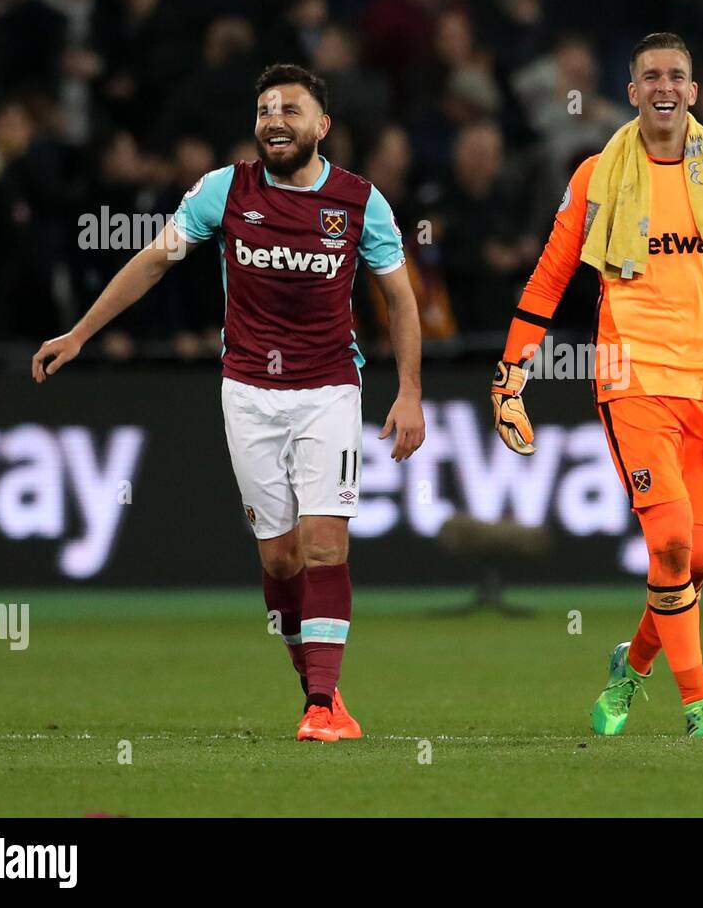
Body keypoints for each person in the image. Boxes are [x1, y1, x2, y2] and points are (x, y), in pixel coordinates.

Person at [32, 64, 426, 743]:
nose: (275, 119)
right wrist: (81, 332)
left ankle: (325, 705)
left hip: (330, 387)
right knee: (280, 559)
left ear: (321, 126)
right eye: (266, 109)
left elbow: (400, 297)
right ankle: (317, 693)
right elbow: (155, 259)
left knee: (327, 541)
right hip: (247, 391)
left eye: (291, 109)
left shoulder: (361, 202)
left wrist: (411, 391)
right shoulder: (226, 190)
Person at [490, 32, 703, 738]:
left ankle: (634, 665)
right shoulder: (597, 174)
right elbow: (552, 273)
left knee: (699, 560)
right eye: (649, 74)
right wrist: (511, 374)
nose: (662, 86)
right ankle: (699, 705)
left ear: (692, 90)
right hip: (631, 377)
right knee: (673, 542)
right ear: (632, 91)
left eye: (675, 75)